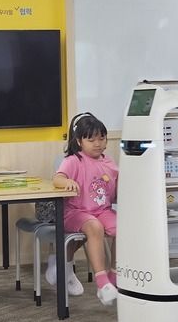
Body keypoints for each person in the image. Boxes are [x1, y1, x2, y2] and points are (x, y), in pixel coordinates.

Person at [50, 113, 119, 306]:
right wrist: (67, 181)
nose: (97, 143)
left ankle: (114, 278)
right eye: (91, 139)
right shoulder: (74, 160)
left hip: (102, 211)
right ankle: (102, 283)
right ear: (79, 141)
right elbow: (57, 179)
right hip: (75, 212)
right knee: (94, 227)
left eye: (101, 138)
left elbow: (118, 189)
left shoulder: (109, 162)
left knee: (125, 228)